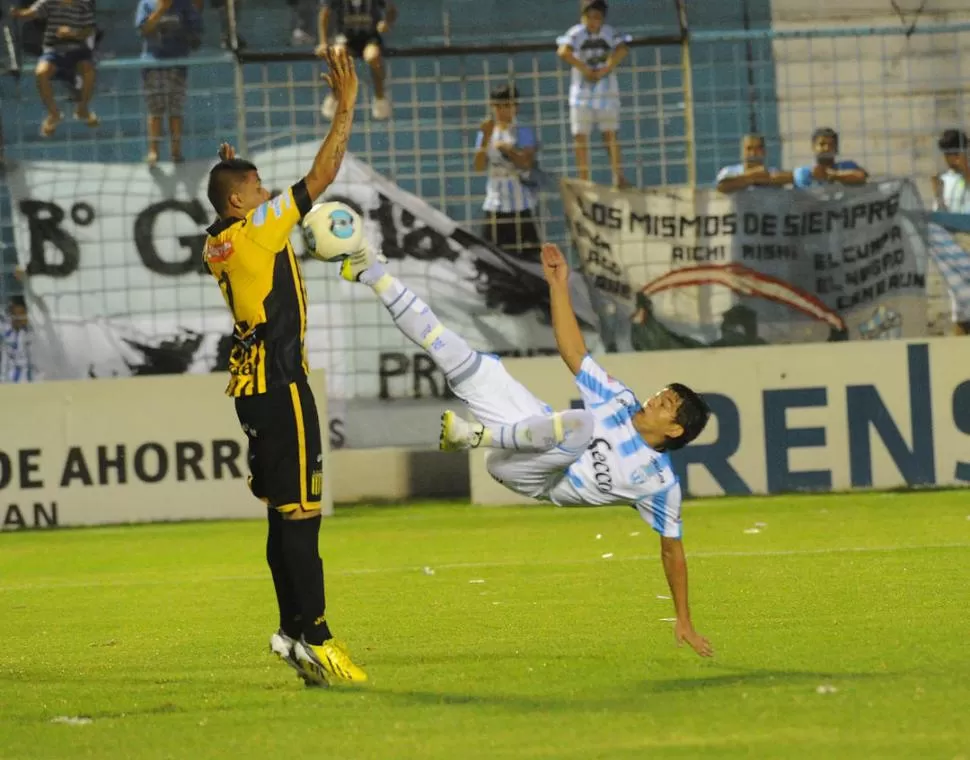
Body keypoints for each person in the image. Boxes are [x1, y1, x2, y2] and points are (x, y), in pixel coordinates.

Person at [337, 241, 715, 658]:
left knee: (581, 425)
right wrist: (558, 284)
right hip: (525, 427)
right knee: (451, 348)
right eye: (660, 394)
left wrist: (684, 618)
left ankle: (474, 437)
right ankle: (373, 273)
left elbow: (671, 550)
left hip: (534, 474)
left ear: (676, 429)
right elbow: (574, 352)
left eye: (666, 405)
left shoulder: (660, 484)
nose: (654, 400)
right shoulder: (618, 399)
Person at [202, 48, 366, 687]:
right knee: (304, 515)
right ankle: (319, 636)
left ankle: (291, 633)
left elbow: (227, 208)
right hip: (282, 383)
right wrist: (345, 107)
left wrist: (229, 170)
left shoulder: (218, 241)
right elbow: (321, 175)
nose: (271, 194)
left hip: (250, 390)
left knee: (280, 513)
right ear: (245, 203)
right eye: (259, 188)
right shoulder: (260, 229)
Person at [557, 0, 631, 187]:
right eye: (588, 17)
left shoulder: (609, 32)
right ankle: (584, 179)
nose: (592, 21)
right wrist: (584, 69)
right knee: (580, 135)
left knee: (610, 133)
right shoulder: (576, 33)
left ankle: (618, 175)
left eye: (596, 17)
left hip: (606, 92)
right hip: (582, 93)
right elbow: (563, 51)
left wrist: (606, 68)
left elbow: (622, 49)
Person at [473, 84, 542, 262]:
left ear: (515, 107)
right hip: (495, 203)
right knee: (490, 258)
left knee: (530, 257)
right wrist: (485, 139)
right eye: (498, 106)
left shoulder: (523, 131)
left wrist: (509, 150)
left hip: (520, 203)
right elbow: (479, 166)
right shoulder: (487, 132)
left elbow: (527, 164)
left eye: (507, 106)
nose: (502, 111)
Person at [11, 0, 99, 137]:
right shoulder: (48, 2)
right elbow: (31, 13)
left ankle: (82, 108)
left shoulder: (84, 4)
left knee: (89, 71)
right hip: (54, 49)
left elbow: (89, 29)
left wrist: (73, 34)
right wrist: (16, 13)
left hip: (78, 49)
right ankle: (54, 113)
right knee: (41, 72)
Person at [135, 0, 203, 166]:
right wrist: (161, 10)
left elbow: (197, 31)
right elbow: (143, 29)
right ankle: (153, 152)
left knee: (175, 110)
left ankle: (176, 152)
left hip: (177, 64)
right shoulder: (146, 3)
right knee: (155, 110)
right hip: (153, 64)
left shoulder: (184, 5)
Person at [316, 0, 396, 121]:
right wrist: (323, 42)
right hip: (344, 37)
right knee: (338, 55)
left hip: (370, 37)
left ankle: (380, 96)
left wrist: (387, 23)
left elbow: (392, 10)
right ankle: (335, 94)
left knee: (373, 57)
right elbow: (324, 14)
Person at [716, 133, 792, 193]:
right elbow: (721, 186)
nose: (753, 153)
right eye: (749, 148)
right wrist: (754, 175)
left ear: (764, 151)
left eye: (758, 148)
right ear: (742, 151)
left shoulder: (772, 171)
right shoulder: (729, 171)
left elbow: (790, 178)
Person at [792, 127, 868, 188]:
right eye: (822, 144)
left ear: (836, 149)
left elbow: (862, 176)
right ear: (813, 147)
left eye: (831, 145)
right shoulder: (803, 171)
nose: (827, 148)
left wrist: (833, 175)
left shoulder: (847, 166)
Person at [0, 296, 38, 384]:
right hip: (7, 378)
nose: (18, 318)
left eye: (21, 314)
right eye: (15, 314)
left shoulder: (29, 333)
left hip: (26, 379)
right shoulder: (5, 330)